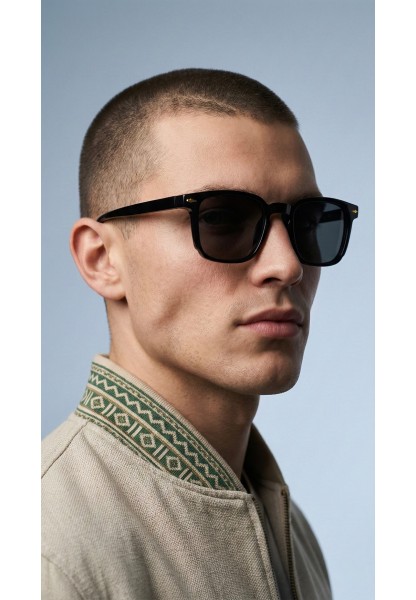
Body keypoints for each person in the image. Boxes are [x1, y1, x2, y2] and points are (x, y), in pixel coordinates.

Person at [41, 68, 358, 600]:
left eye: (307, 222)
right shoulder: (46, 546)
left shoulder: (291, 532)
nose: (287, 265)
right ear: (101, 259)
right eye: (222, 219)